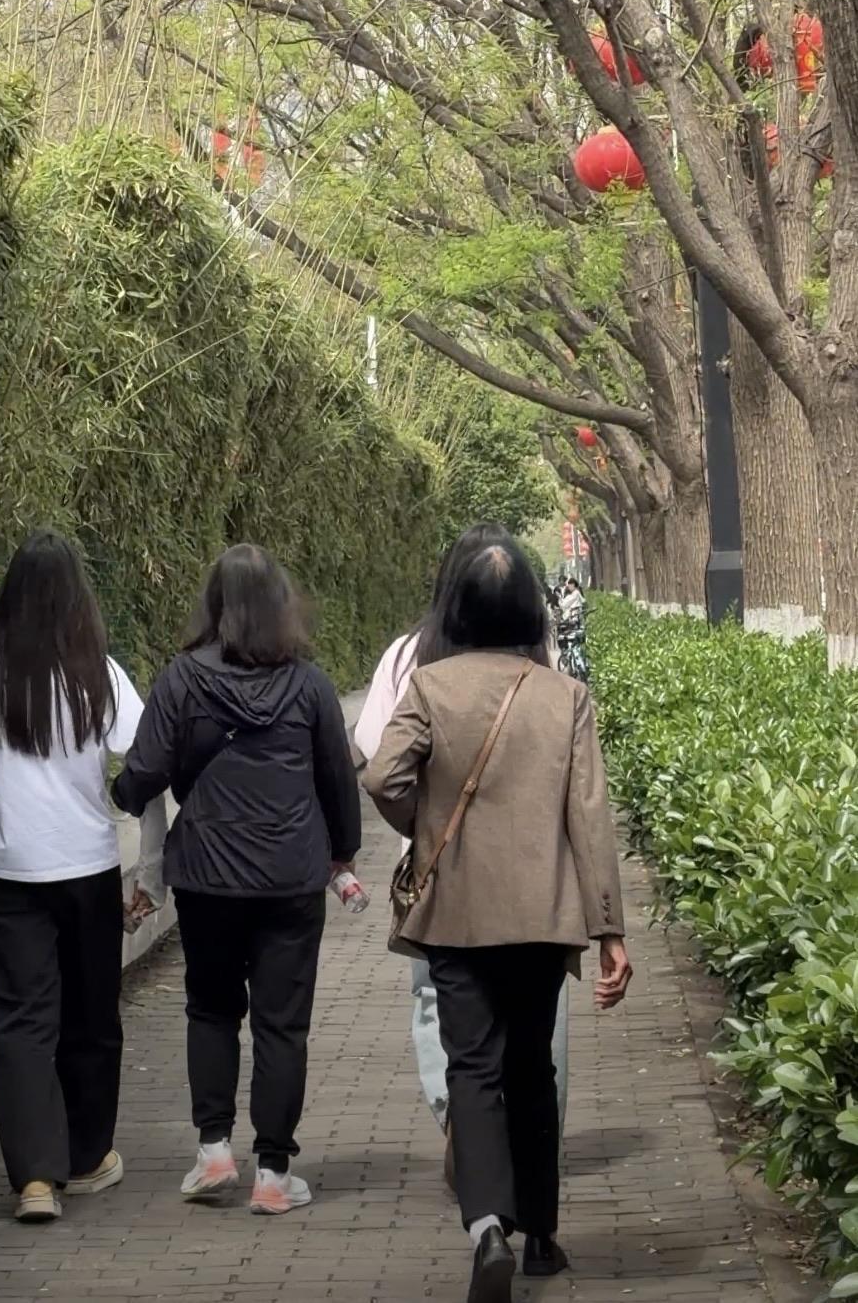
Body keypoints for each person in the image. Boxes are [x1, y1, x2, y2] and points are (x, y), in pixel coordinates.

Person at [365, 539, 630, 1303]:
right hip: (544, 918)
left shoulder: (430, 686)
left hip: (456, 917)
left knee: (472, 1069)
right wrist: (609, 929)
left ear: (456, 609)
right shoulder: (564, 696)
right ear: (530, 611)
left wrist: (423, 819)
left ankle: (486, 1226)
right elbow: (590, 815)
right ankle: (542, 1231)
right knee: (532, 1068)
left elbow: (383, 774)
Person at [113, 542, 361, 1216]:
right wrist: (342, 851)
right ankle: (274, 1173)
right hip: (290, 877)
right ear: (281, 604)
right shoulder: (309, 684)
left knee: (212, 1008)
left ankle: (215, 1149)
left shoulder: (181, 680)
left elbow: (144, 772)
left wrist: (123, 790)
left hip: (209, 879)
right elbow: (339, 779)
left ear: (215, 604)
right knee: (284, 1025)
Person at [0, 530, 168, 1224]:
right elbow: (143, 759)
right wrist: (151, 865)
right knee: (89, 1013)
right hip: (85, 862)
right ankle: (86, 1156)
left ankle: (34, 1179)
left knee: (22, 1019)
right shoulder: (98, 673)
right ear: (77, 595)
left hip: (10, 863)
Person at [353, 526, 571, 1174]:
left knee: (435, 1001)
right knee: (540, 1016)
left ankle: (463, 1119)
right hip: (532, 868)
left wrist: (422, 822)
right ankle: (530, 1141)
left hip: (439, 870)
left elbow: (372, 753)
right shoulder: (539, 655)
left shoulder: (404, 657)